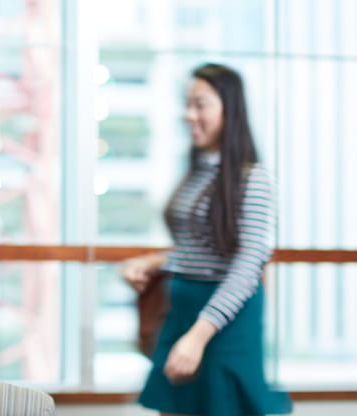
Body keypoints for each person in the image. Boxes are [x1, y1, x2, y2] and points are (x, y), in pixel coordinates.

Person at [120, 63, 291, 416]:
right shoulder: (198, 171)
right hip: (182, 310)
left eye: (200, 104)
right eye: (187, 104)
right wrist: (152, 261)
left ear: (230, 108)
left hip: (224, 322)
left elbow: (247, 265)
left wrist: (199, 335)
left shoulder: (253, 179)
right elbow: (198, 248)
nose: (189, 115)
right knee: (174, 406)